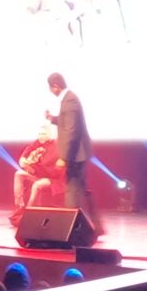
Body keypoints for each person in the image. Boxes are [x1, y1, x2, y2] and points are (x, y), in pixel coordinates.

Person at [46, 70, 106, 239]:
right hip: (77, 153)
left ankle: (71, 228)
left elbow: (71, 129)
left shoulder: (70, 99)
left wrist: (64, 157)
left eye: (50, 88)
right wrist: (52, 119)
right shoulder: (68, 99)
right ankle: (96, 226)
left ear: (56, 86)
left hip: (75, 154)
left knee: (72, 190)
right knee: (81, 190)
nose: (50, 91)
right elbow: (67, 121)